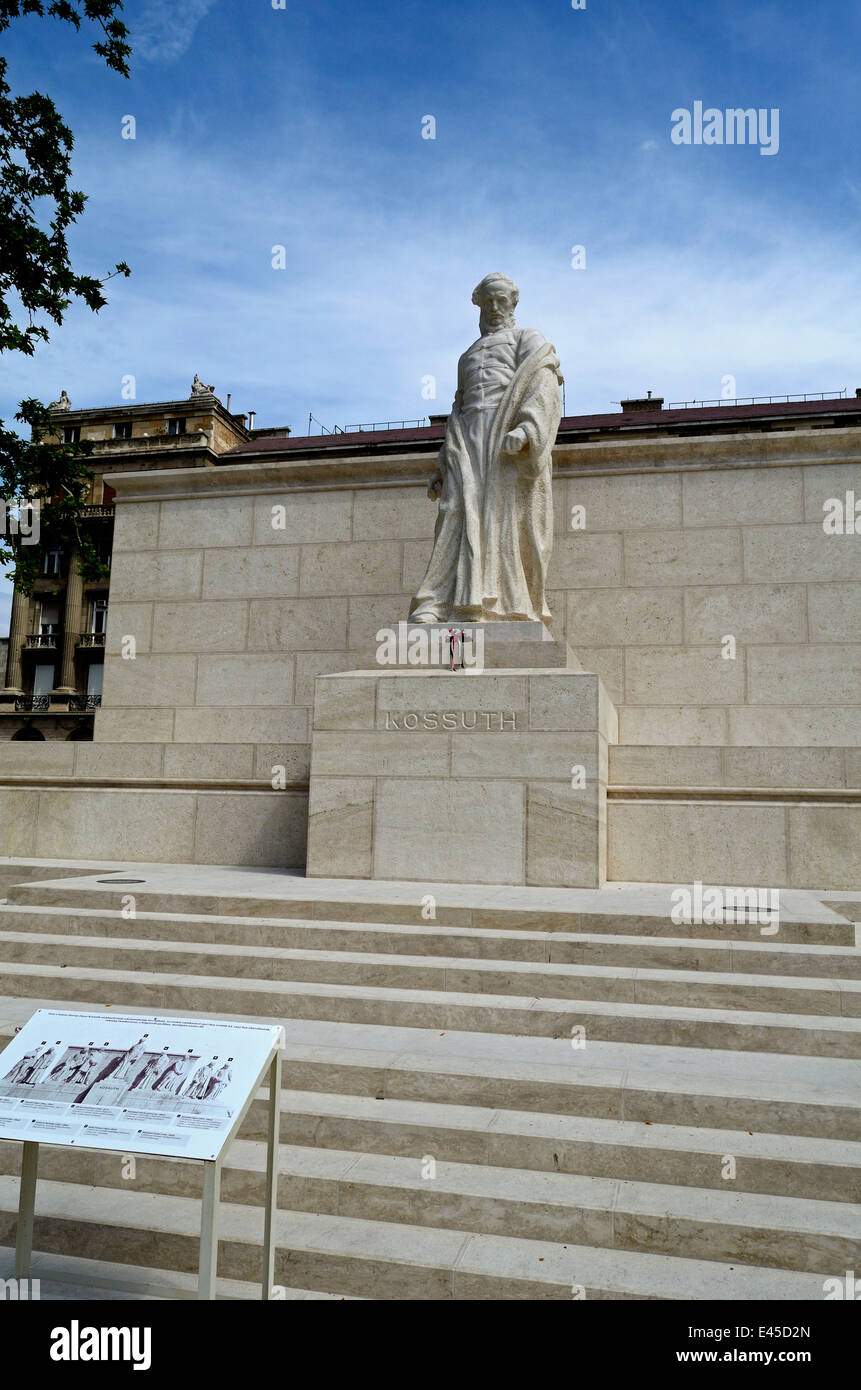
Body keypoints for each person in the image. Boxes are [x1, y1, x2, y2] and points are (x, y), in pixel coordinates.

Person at [409, 273, 563, 626]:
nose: (495, 308)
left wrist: (526, 428)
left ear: (513, 303)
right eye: (488, 301)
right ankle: (437, 602)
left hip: (504, 442)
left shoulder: (528, 338)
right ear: (478, 304)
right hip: (466, 441)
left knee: (501, 521)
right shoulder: (467, 355)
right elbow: (458, 406)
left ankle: (496, 605)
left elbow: (543, 382)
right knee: (454, 516)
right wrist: (440, 468)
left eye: (502, 301)